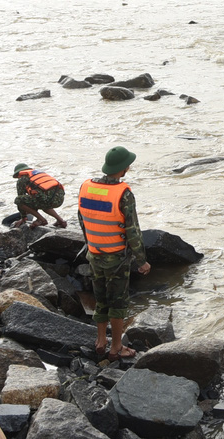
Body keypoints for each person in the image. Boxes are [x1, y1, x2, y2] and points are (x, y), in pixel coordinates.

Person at [77, 146, 150, 361]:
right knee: (118, 303)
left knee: (101, 299)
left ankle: (100, 341)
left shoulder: (86, 187)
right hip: (116, 257)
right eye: (128, 164)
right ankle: (116, 347)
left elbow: (82, 220)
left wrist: (92, 244)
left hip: (94, 253)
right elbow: (133, 230)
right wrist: (142, 260)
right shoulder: (123, 193)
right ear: (123, 169)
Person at [11, 163, 68, 229]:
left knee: (18, 200)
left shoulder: (22, 179)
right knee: (42, 200)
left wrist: (23, 217)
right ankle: (60, 221)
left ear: (18, 174)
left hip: (47, 199)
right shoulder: (38, 175)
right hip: (60, 199)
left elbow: (21, 201)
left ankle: (41, 220)